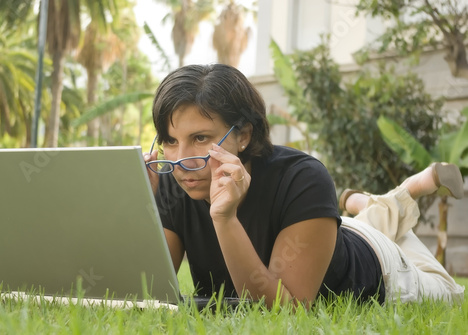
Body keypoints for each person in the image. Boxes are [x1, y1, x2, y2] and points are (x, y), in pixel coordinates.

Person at [143, 63, 465, 308]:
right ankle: (367, 206)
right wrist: (137, 205)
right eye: (170, 141)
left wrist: (225, 219)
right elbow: (145, 293)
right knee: (358, 222)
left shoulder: (303, 178)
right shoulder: (176, 182)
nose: (181, 161)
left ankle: (389, 200)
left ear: (243, 135)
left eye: (200, 138)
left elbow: (284, 310)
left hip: (384, 264)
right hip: (324, 230)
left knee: (450, 293)